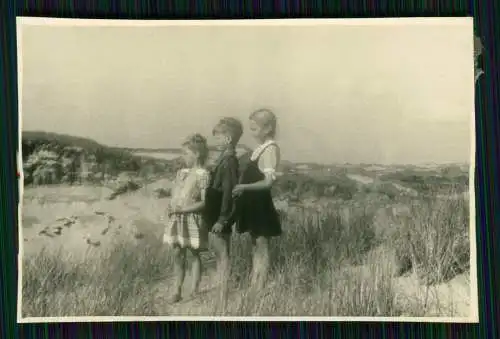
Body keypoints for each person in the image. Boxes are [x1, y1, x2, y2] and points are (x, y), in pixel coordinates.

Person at [232, 108, 282, 290]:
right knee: (255, 244)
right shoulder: (261, 149)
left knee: (262, 245)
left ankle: (260, 285)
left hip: (260, 204)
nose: (252, 133)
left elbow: (267, 183)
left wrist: (244, 187)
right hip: (253, 203)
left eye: (254, 129)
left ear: (267, 129)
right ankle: (255, 280)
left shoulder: (270, 150)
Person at [163, 133, 210, 303]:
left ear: (196, 154)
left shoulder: (203, 174)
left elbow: (204, 202)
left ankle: (194, 290)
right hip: (177, 218)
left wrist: (185, 209)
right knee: (177, 252)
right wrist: (171, 206)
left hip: (191, 218)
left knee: (194, 254)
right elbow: (175, 194)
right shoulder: (181, 173)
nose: (183, 156)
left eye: (186, 153)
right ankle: (177, 289)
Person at [204, 117, 242, 296]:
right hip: (218, 208)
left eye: (218, 138)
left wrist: (223, 218)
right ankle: (222, 282)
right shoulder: (224, 159)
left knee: (222, 250)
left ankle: (223, 285)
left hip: (222, 210)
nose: (216, 142)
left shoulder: (229, 161)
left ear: (227, 139)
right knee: (218, 248)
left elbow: (229, 191)